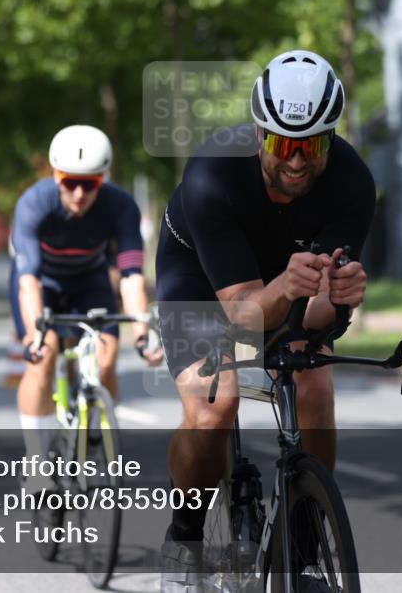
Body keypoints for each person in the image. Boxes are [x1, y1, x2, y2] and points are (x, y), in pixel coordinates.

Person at [155, 50, 375, 591]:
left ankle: (304, 538)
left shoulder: (352, 183)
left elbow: (314, 318)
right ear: (259, 133)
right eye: (282, 144)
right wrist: (283, 287)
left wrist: (341, 300)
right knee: (214, 406)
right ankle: (185, 536)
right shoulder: (212, 173)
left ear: (330, 140)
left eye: (312, 145)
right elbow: (242, 317)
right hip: (202, 282)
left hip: (283, 282)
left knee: (314, 384)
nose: (296, 161)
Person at [10, 125, 163, 466]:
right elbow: (29, 281)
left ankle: (95, 431)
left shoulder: (121, 206)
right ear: (55, 175)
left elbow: (131, 277)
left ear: (103, 178)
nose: (79, 193)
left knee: (106, 356)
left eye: (90, 183)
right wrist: (35, 337)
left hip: (89, 280)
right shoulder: (34, 203)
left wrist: (142, 336)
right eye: (69, 182)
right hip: (43, 283)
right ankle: (37, 462)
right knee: (44, 354)